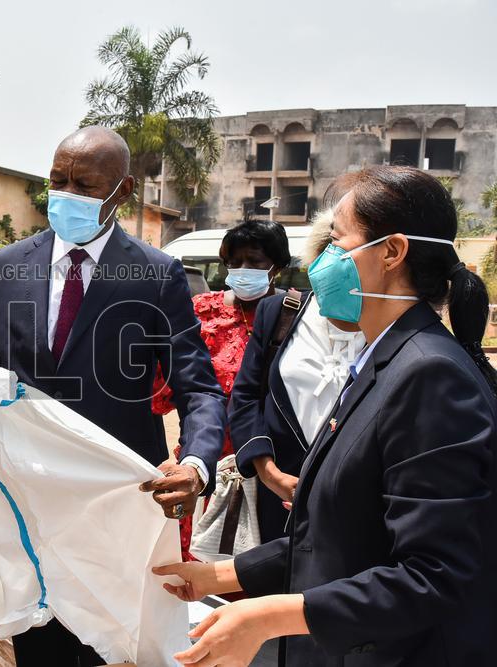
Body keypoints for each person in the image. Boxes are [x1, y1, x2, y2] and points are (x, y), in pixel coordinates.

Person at [156, 165, 497, 666]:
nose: (324, 260)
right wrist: (222, 576)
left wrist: (267, 617)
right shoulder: (381, 359)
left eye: (338, 242)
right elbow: (343, 534)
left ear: (391, 251)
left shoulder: (429, 376)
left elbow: (434, 575)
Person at [0, 126, 227, 666]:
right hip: (26, 499)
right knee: (38, 641)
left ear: (124, 190)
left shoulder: (156, 274)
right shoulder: (4, 267)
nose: (65, 195)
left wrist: (196, 464)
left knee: (110, 646)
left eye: (85, 185)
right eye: (57, 180)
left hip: (114, 500)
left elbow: (198, 385)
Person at [151, 218, 290, 559]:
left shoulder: (293, 316)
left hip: (271, 469)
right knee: (194, 566)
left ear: (277, 267)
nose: (243, 270)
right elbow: (167, 392)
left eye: (254, 262)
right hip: (203, 465)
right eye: (235, 262)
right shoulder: (201, 311)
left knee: (257, 570)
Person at [228, 208, 365, 543]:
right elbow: (246, 396)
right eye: (331, 251)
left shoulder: (389, 330)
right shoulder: (278, 313)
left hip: (352, 509)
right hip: (275, 499)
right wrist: (269, 473)